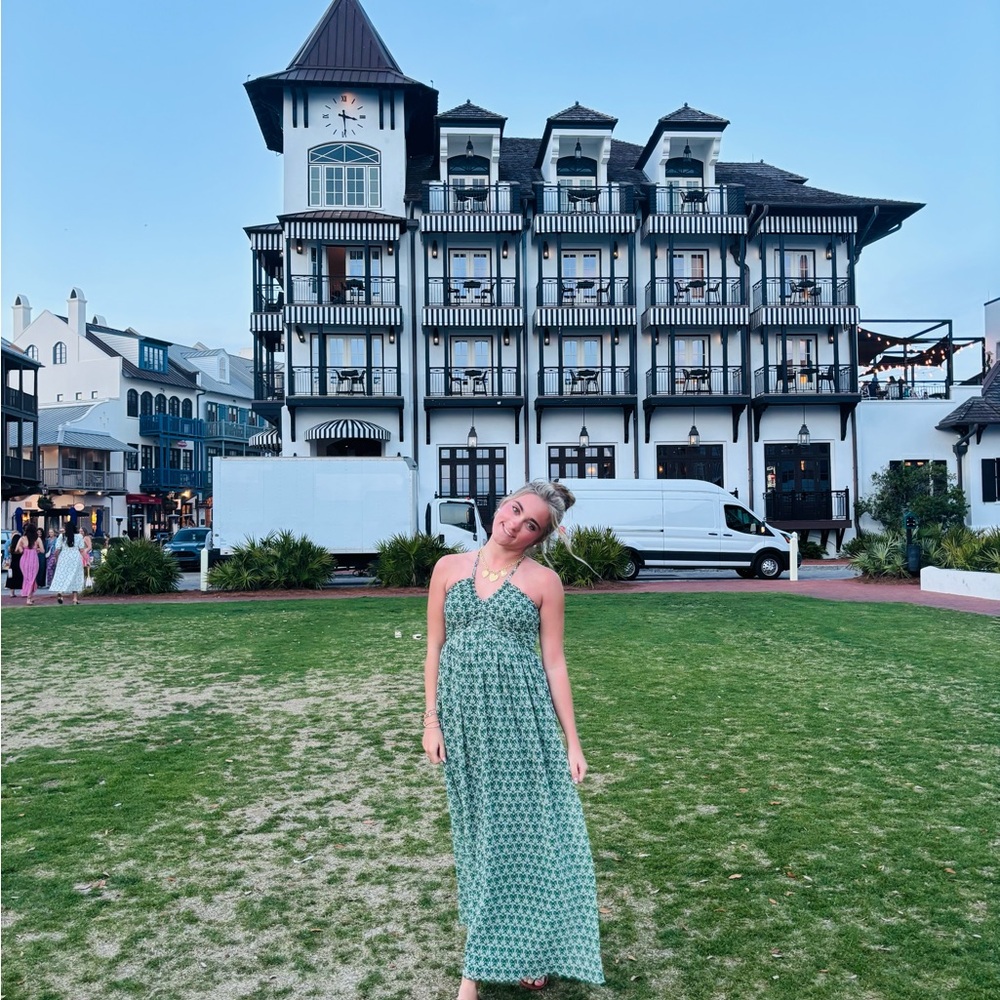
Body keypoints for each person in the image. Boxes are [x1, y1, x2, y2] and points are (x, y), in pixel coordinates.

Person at [423, 481, 604, 999]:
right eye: (516, 510)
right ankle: (523, 946)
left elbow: (555, 662)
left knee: (521, 838)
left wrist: (573, 741)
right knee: (480, 839)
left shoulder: (544, 582)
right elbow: (435, 647)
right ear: (503, 504)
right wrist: (430, 721)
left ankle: (472, 979)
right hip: (464, 724)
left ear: (539, 537)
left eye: (532, 525)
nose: (516, 524)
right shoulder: (447, 569)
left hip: (523, 725)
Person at [49, 520, 87, 604]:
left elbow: (57, 549)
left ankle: (61, 591)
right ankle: (75, 598)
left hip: (64, 557)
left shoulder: (61, 536)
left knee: (63, 575)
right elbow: (81, 550)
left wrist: (56, 558)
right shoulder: (79, 537)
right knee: (75, 577)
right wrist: (87, 559)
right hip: (75, 557)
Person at [16, 525, 45, 605]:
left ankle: (29, 597)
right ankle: (29, 597)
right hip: (33, 560)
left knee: (27, 578)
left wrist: (22, 549)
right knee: (32, 578)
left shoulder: (22, 538)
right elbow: (43, 551)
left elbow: (16, 549)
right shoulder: (38, 539)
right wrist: (37, 549)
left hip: (24, 560)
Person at [6, 531, 23, 597]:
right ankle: (22, 592)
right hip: (20, 563)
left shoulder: (10, 547)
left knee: (12, 578)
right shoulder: (20, 547)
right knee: (20, 577)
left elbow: (9, 554)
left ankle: (11, 593)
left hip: (13, 563)